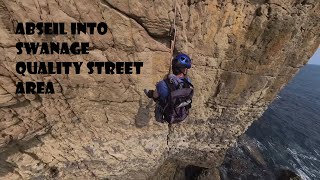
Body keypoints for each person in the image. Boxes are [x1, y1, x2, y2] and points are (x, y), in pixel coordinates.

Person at [144, 53, 193, 123]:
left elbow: (155, 96)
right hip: (182, 114)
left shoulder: (162, 84)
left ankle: (160, 118)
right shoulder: (188, 81)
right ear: (184, 70)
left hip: (169, 115)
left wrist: (159, 86)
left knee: (158, 98)